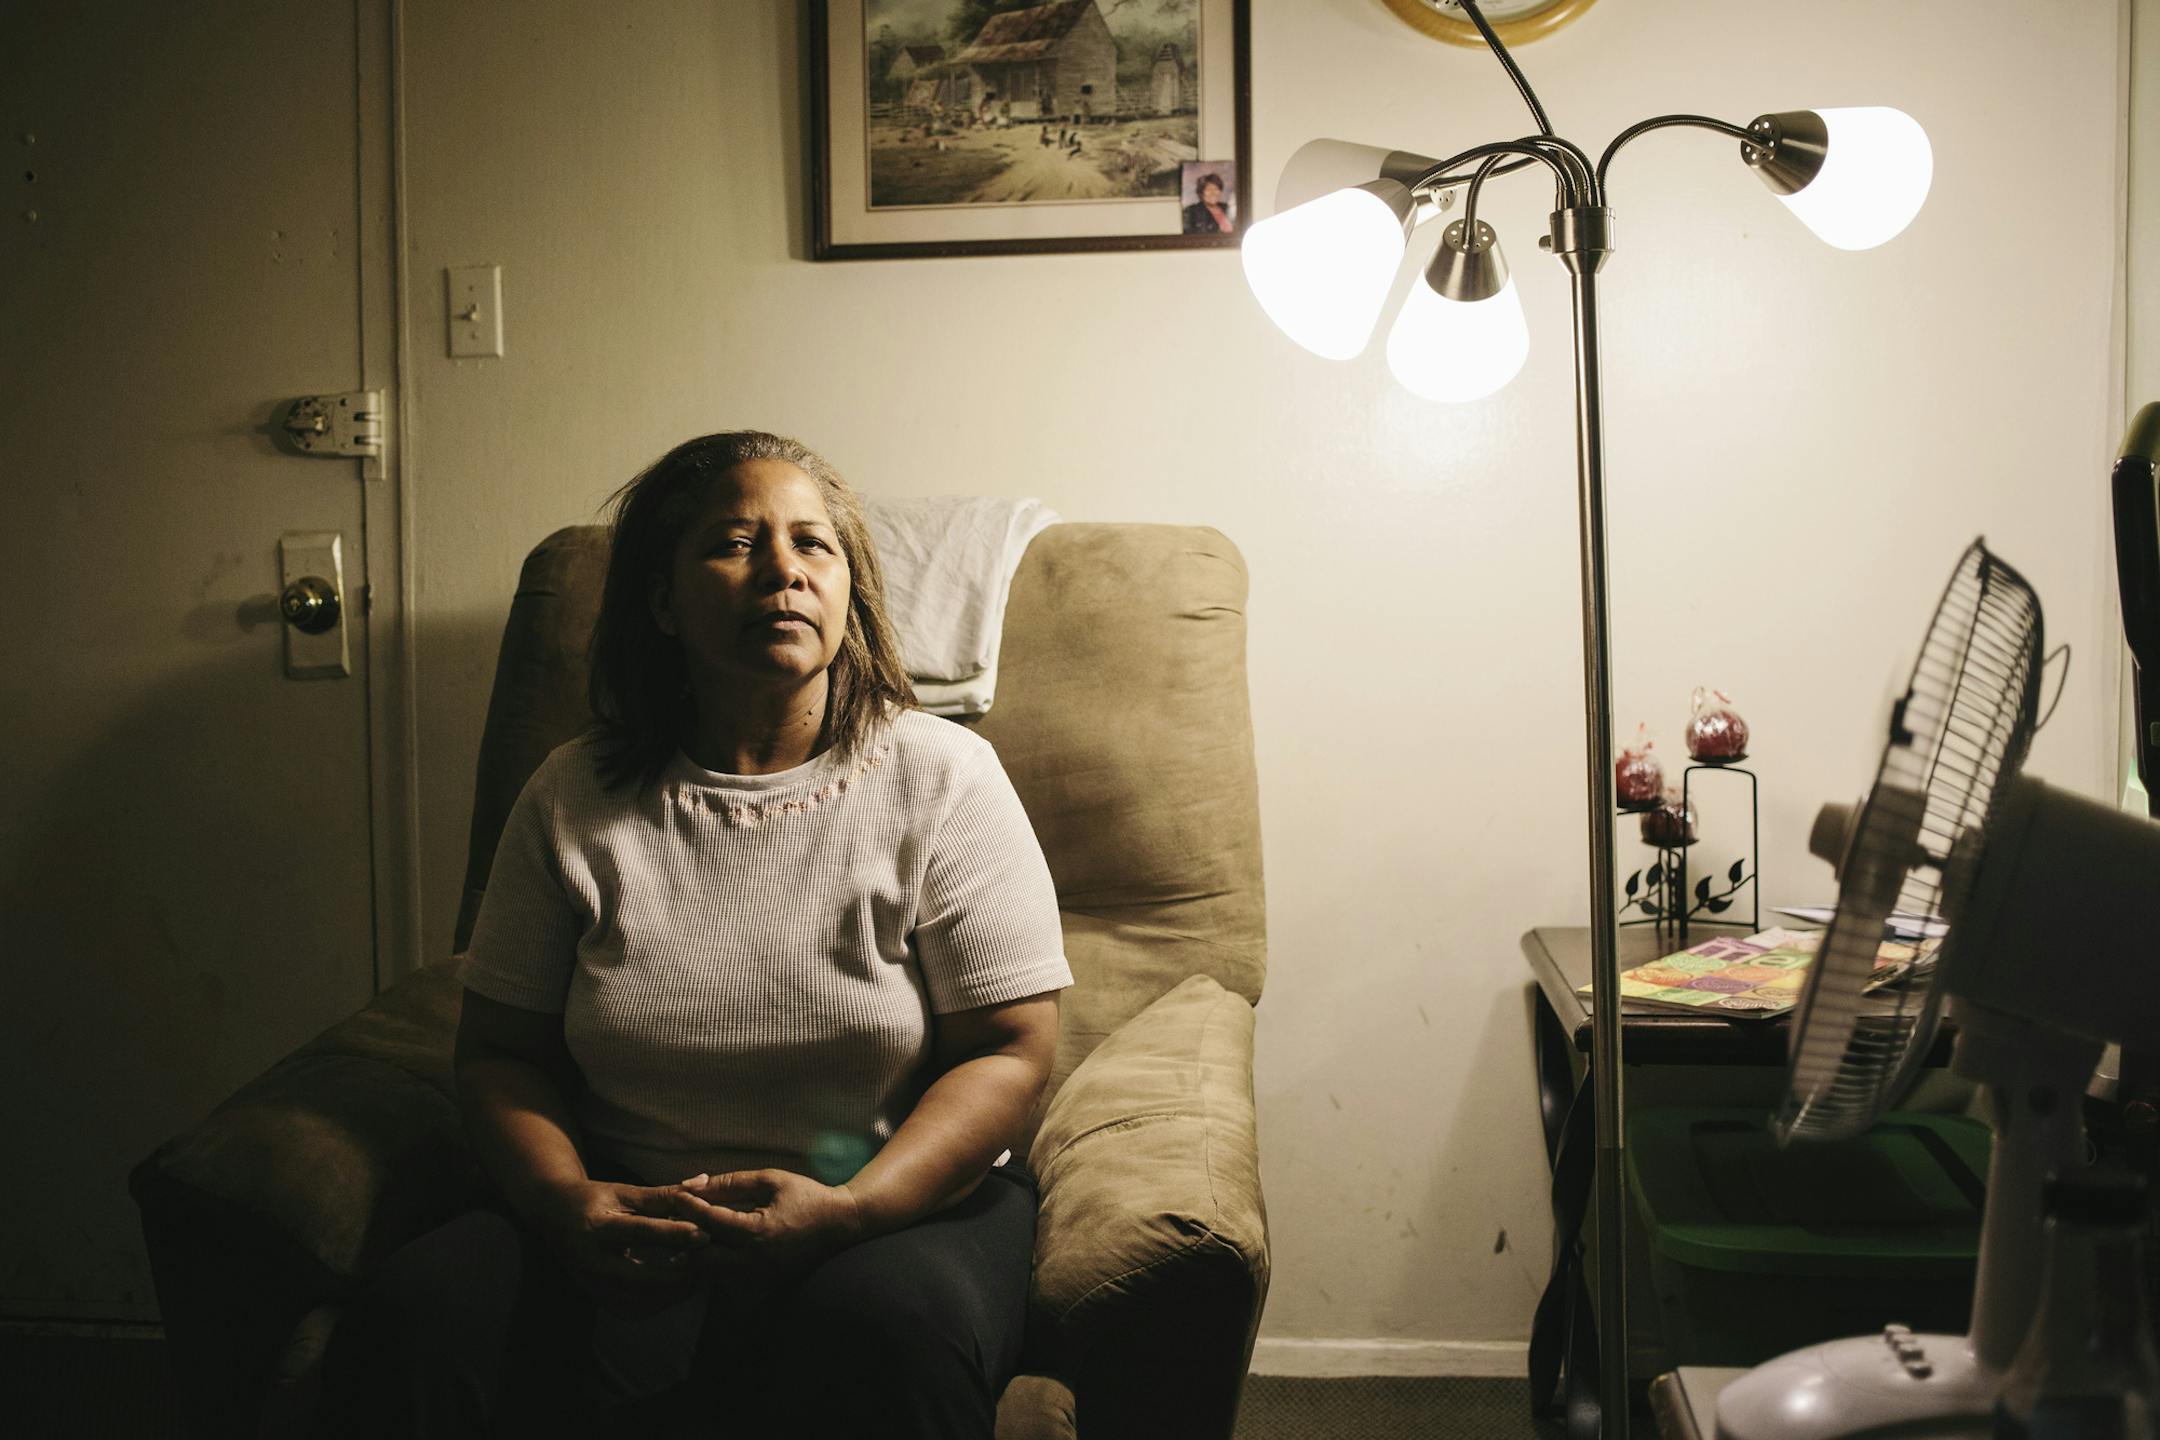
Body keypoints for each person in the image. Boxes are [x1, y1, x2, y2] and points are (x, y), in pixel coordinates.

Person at [318, 431, 1072, 1437]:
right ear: (662, 603)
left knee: (881, 1332)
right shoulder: (571, 796)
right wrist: (563, 1204)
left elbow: (1013, 1051)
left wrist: (851, 1213)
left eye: (815, 545)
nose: (785, 571)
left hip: (891, 1209)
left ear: (849, 594)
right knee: (419, 1314)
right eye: (734, 542)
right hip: (620, 1211)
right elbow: (501, 1055)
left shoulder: (942, 778)